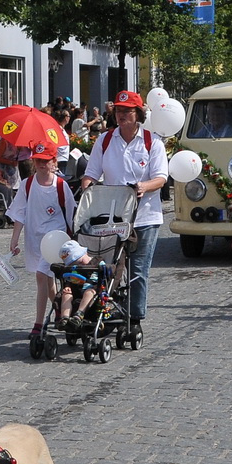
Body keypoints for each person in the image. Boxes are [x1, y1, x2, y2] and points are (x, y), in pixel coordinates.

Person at [80, 91, 168, 334]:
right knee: (109, 267)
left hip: (145, 217)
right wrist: (87, 188)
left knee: (138, 271)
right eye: (118, 111)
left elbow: (161, 177)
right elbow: (91, 172)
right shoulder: (106, 140)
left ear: (138, 114)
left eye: (127, 111)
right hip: (112, 218)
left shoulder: (152, 141)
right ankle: (108, 312)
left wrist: (142, 187)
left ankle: (135, 319)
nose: (121, 115)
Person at [9, 143, 74, 340]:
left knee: (41, 275)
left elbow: (71, 216)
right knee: (46, 278)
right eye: (38, 161)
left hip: (56, 239)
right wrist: (14, 239)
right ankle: (57, 306)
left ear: (54, 162)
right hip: (34, 237)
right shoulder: (28, 184)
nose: (41, 165)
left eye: (46, 161)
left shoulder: (61, 186)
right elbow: (19, 212)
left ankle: (38, 324)